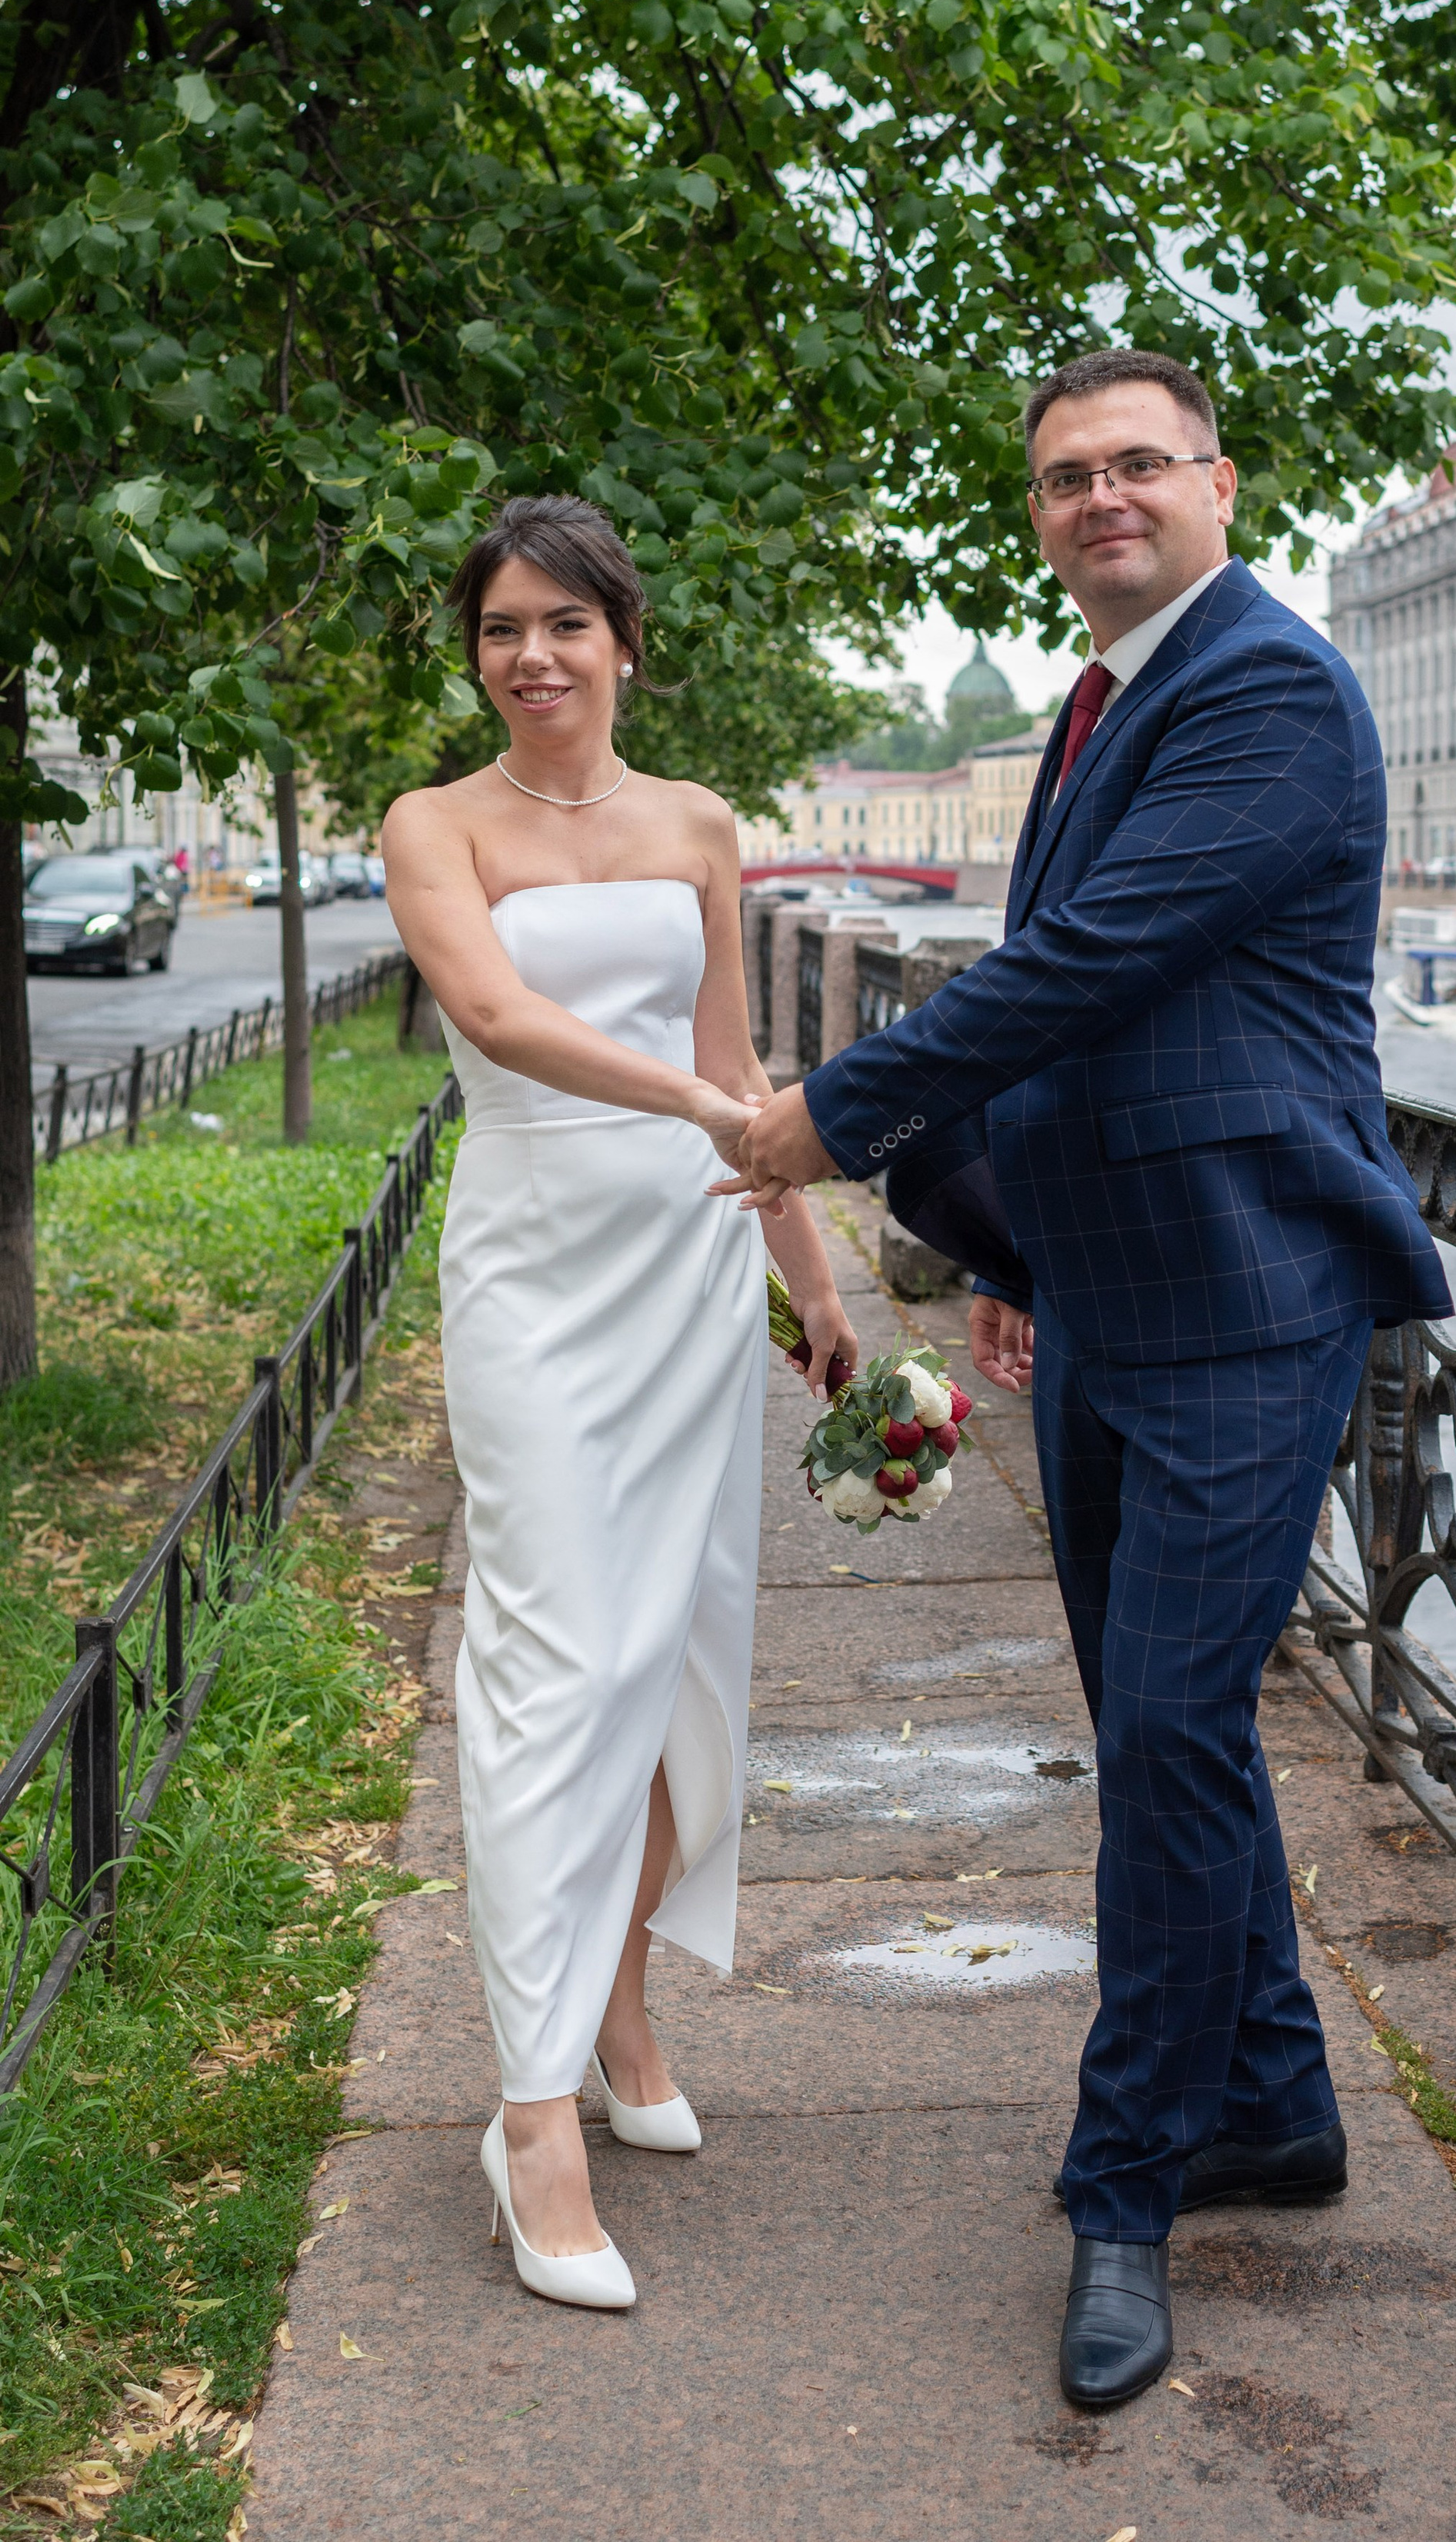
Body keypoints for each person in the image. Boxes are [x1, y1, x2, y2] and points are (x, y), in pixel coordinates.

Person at [725, 349, 1451, 2407]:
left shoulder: (1269, 685)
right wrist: (1005, 1249)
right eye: (1066, 476)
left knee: (1172, 1725)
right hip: (1117, 1286)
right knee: (1168, 1742)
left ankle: (1125, 2183)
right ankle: (1280, 2102)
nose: (1103, 497)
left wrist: (828, 1120)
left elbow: (1083, 962)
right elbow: (1071, 1026)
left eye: (1140, 463)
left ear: (1222, 481)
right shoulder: (1107, 690)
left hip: (1248, 1292)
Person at [382, 495, 855, 2312]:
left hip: (683, 1273)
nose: (533, 656)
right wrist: (708, 1118)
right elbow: (497, 1020)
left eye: (565, 624)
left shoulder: (696, 824)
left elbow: (742, 1069)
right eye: (502, 626)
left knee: (673, 1655)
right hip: (533, 1270)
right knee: (552, 1657)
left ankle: (620, 1999)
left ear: (623, 642)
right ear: (479, 652)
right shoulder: (435, 823)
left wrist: (813, 1293)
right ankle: (530, 2117)